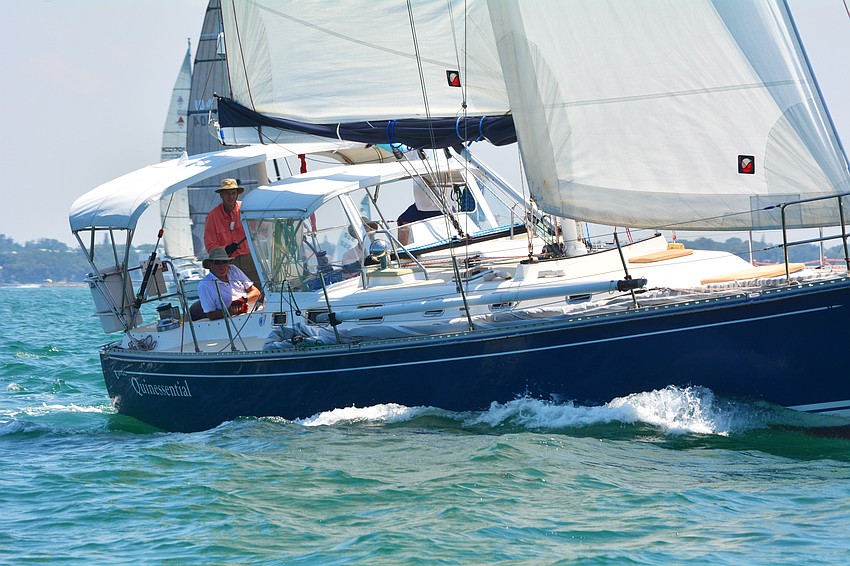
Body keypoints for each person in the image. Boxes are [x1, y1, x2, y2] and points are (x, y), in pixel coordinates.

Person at [204, 178, 261, 286]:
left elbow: (260, 229)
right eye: (227, 194)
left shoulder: (245, 209)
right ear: (221, 195)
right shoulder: (212, 216)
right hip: (227, 262)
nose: (231, 197)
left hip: (249, 258)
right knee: (234, 293)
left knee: (259, 289)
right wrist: (225, 249)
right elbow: (209, 245)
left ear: (237, 194)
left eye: (233, 193)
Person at [197, 247, 261, 320]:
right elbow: (211, 315)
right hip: (232, 320)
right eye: (217, 262)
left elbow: (257, 293)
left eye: (224, 261)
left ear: (228, 263)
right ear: (210, 264)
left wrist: (243, 301)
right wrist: (231, 310)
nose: (221, 265)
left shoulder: (233, 269)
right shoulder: (204, 285)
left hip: (255, 313)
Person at [397, 178, 444, 245]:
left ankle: (404, 251)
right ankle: (403, 252)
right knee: (402, 220)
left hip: (443, 208)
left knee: (403, 221)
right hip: (420, 207)